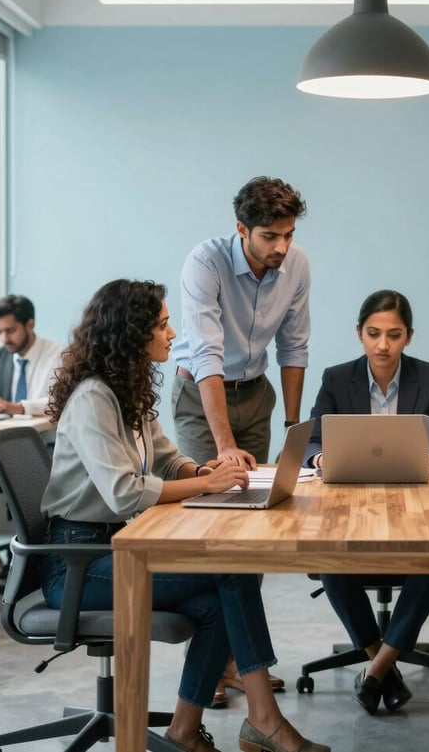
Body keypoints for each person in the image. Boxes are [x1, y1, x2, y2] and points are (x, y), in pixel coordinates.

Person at [41, 279, 329, 752]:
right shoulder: (94, 398)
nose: (173, 333)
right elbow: (123, 493)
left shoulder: (126, 390)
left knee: (219, 602)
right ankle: (264, 720)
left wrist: (204, 468)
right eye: (161, 324)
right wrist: (206, 485)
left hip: (113, 548)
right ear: (131, 334)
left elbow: (166, 457)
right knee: (230, 572)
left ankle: (185, 731)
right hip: (77, 562)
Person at [171, 176, 309, 701]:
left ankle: (235, 657)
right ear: (241, 229)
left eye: (288, 235)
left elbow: (294, 348)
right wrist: (224, 444)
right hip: (201, 397)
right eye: (270, 236)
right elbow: (205, 354)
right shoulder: (204, 263)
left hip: (257, 394)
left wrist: (296, 432)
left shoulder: (296, 265)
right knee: (211, 522)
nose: (281, 247)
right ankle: (212, 663)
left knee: (255, 528)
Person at [305, 289, 429, 715]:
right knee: (330, 561)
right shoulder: (337, 378)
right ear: (359, 333)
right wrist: (322, 457)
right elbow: (312, 440)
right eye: (373, 333)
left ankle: (375, 670)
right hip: (350, 506)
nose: (382, 345)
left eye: (393, 335)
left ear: (408, 337)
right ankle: (385, 666)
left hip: (416, 506)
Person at [0, 294, 63, 587]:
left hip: (43, 453)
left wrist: (19, 407)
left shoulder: (58, 355)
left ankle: (28, 568)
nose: (5, 338)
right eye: (0, 331)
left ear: (30, 324)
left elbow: (59, 403)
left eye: (10, 330)